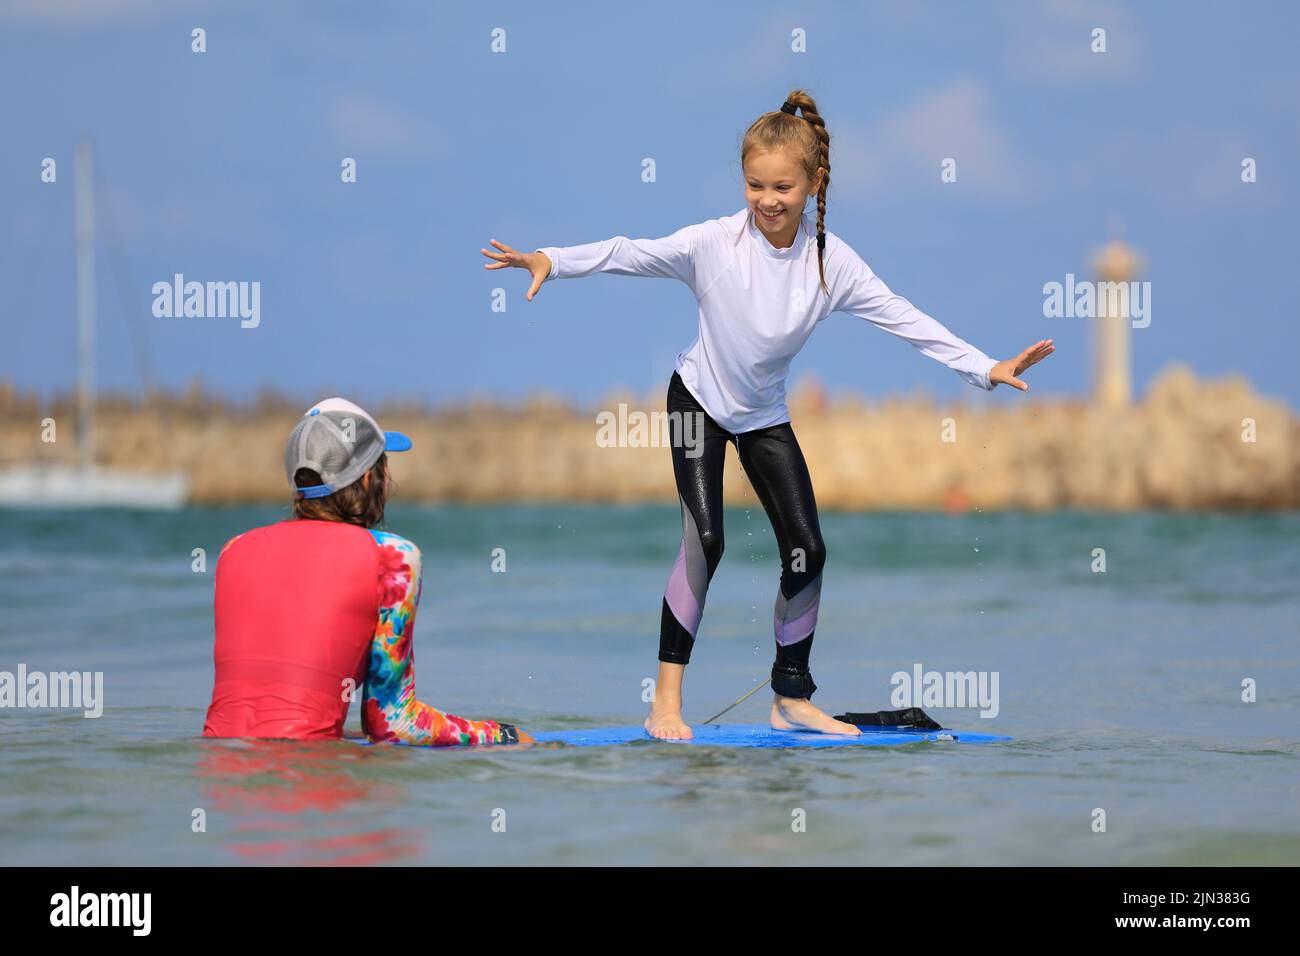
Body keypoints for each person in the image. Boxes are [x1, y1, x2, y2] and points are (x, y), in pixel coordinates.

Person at [481, 89, 1053, 741]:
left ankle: (790, 697)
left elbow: (905, 318)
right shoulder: (712, 245)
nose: (769, 199)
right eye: (756, 185)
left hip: (761, 415)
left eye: (783, 186)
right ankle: (664, 702)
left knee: (808, 549)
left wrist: (985, 367)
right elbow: (628, 250)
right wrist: (551, 261)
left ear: (814, 182)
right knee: (706, 539)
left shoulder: (830, 263)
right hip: (696, 399)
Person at [202, 397, 533, 747]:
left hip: (219, 777)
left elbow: (269, 716)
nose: (388, 480)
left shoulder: (233, 550)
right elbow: (393, 725)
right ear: (365, 480)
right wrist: (504, 735)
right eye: (383, 467)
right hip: (309, 783)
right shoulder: (392, 557)